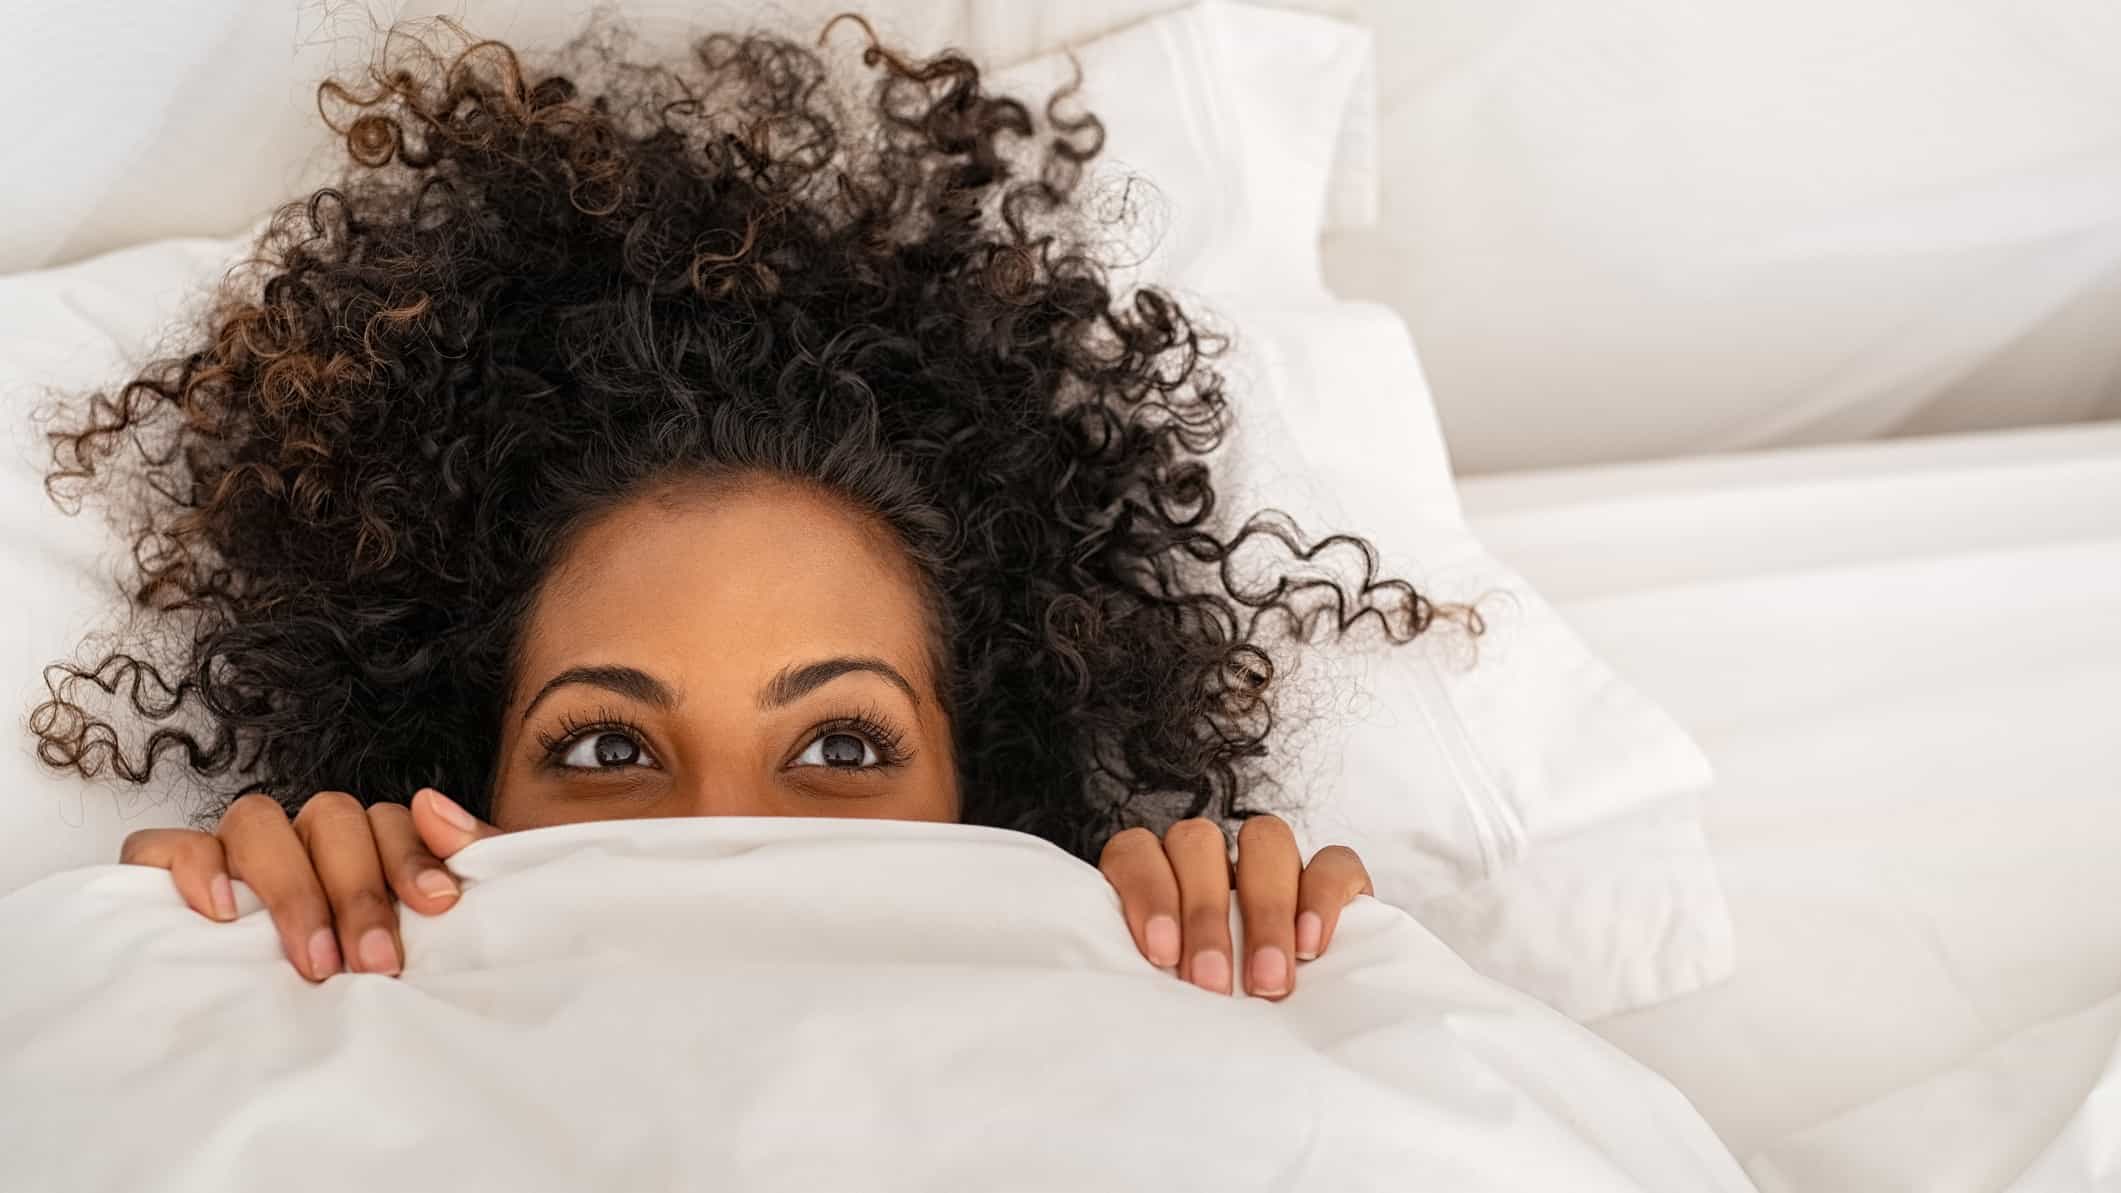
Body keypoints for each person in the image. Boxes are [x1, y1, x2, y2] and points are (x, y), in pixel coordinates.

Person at [30, 16, 1460, 1002]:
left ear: (984, 786)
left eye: (841, 741)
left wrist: (1258, 988)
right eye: (602, 745)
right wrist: (204, 965)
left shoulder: (1180, 1001)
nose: (720, 837)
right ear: (463, 791)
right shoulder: (318, 997)